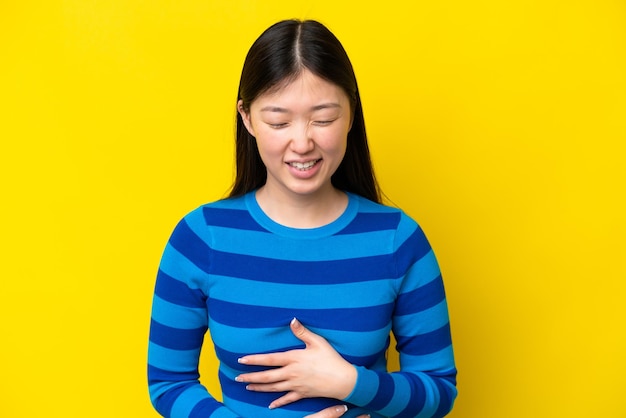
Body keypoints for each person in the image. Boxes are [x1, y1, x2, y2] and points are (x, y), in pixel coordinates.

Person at [148, 19, 457, 418]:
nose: (302, 142)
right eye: (278, 121)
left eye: (324, 119)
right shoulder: (201, 238)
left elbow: (439, 389)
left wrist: (349, 382)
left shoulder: (398, 240)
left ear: (351, 113)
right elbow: (169, 382)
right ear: (247, 118)